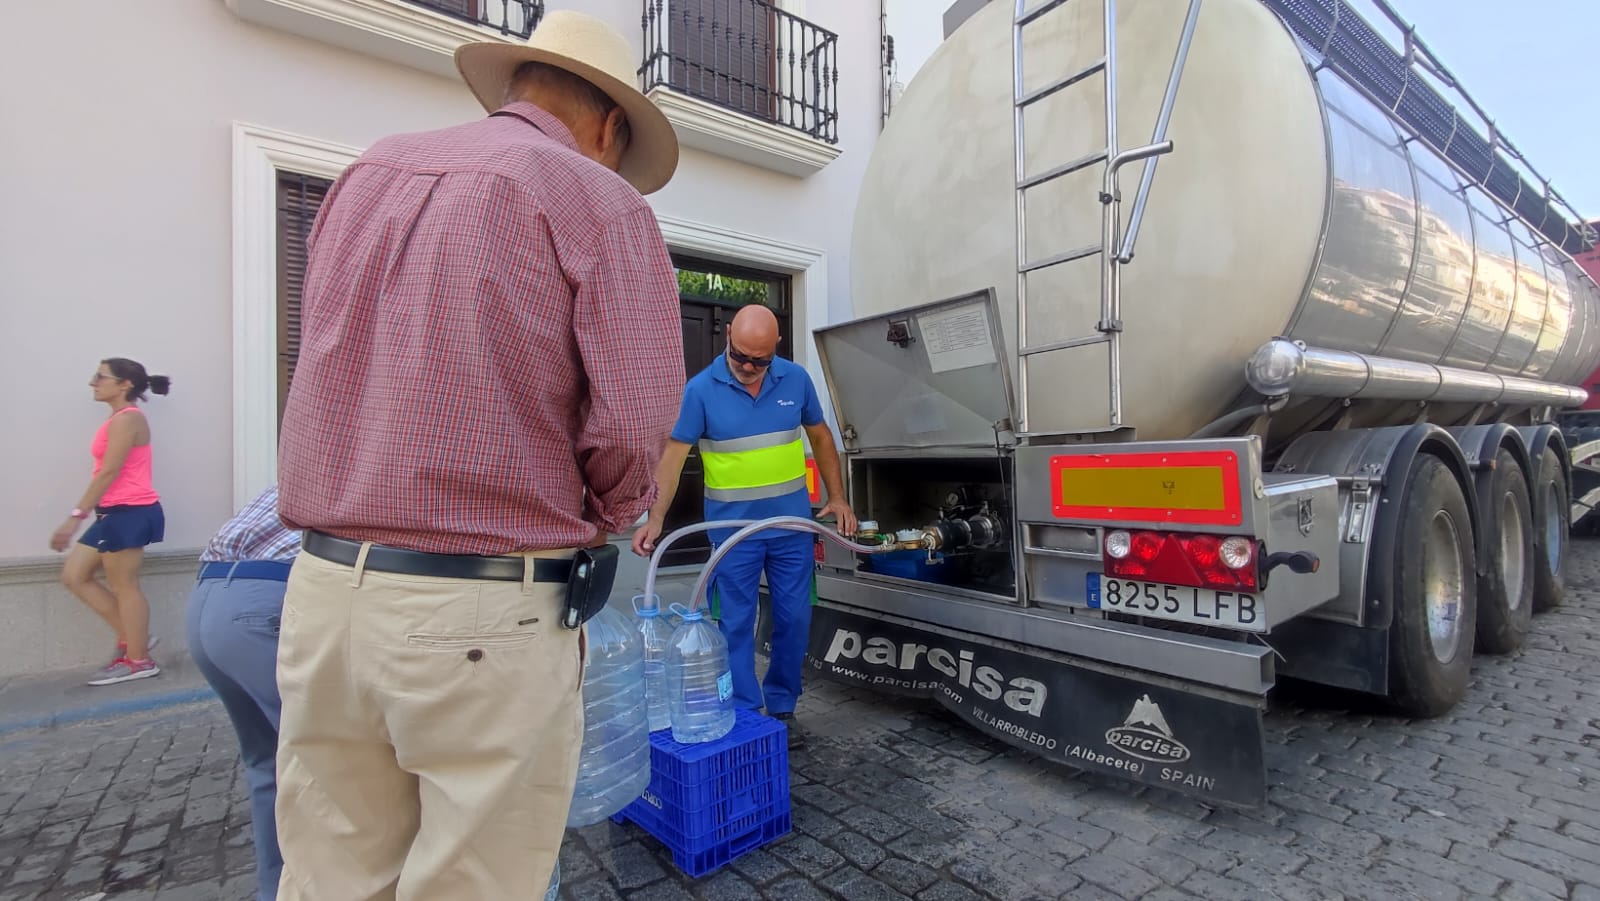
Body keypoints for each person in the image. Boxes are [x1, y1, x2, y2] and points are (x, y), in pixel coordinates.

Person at [272, 11, 684, 900]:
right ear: (610, 126)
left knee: (329, 875)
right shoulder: (599, 199)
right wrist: (610, 515)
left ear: (513, 87)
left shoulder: (367, 174)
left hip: (322, 594)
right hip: (482, 608)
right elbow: (634, 417)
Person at [632, 305, 857, 749]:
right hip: (732, 535)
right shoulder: (699, 391)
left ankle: (783, 707)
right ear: (728, 335)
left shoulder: (795, 380)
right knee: (735, 622)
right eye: (741, 357)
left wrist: (837, 496)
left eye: (761, 360)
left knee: (794, 619)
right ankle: (745, 712)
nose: (750, 368)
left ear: (776, 348)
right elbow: (673, 459)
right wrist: (654, 518)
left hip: (791, 529)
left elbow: (822, 437)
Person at [185, 485, 298, 901]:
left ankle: (276, 890)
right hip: (266, 600)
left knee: (267, 763)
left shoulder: (314, 465)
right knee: (324, 761)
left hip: (206, 596)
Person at [52, 357, 171, 686]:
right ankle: (133, 638)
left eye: (100, 377)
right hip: (113, 512)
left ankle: (138, 660)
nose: (93, 382)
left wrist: (74, 518)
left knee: (124, 586)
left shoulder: (128, 420)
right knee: (75, 575)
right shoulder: (117, 419)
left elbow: (109, 471)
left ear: (124, 385)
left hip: (130, 511)